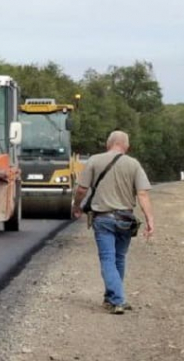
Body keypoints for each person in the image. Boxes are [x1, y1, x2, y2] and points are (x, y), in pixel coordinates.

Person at [72, 130, 155, 315]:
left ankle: (118, 300)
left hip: (103, 218)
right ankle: (111, 298)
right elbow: (143, 194)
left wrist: (77, 206)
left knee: (108, 259)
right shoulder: (133, 164)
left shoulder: (94, 160)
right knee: (119, 258)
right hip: (126, 219)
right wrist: (150, 219)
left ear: (108, 144)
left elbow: (82, 189)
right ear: (126, 146)